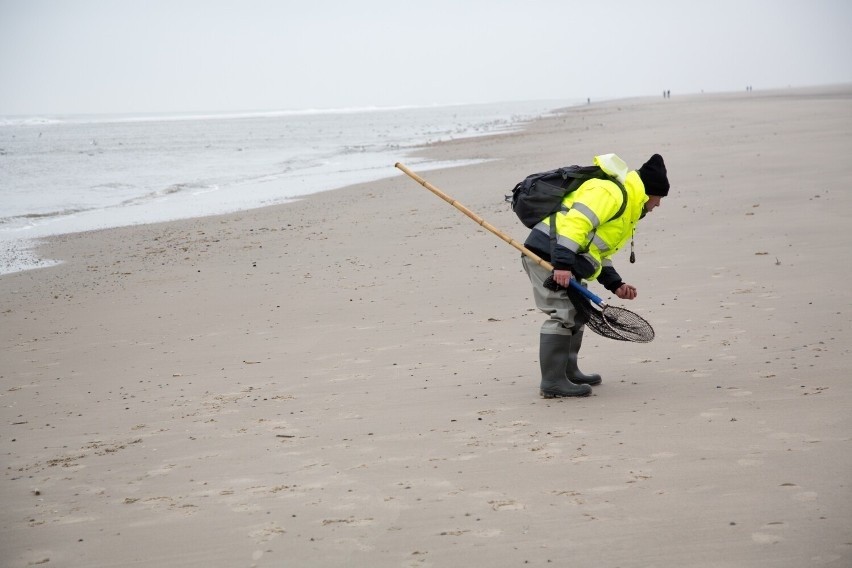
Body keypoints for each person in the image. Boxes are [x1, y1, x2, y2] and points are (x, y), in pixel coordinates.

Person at [521, 153, 670, 397]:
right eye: (659, 198)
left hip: (563, 259)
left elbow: (598, 250)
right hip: (546, 255)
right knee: (562, 314)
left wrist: (616, 284)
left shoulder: (627, 211)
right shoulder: (610, 193)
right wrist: (562, 265)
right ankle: (552, 382)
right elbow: (575, 225)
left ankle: (569, 372)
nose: (658, 205)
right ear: (648, 193)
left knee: (577, 312)